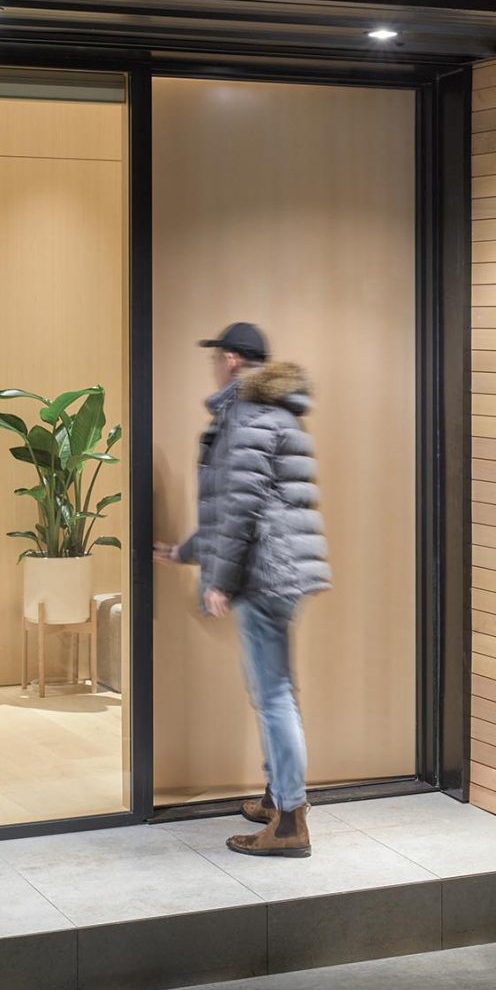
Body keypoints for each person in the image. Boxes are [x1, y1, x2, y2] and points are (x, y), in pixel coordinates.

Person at [155, 319, 329, 857]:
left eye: (216, 357)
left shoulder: (246, 415)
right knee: (277, 690)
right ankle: (280, 795)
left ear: (231, 360)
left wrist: (220, 580)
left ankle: (289, 822)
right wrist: (186, 553)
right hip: (286, 569)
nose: (213, 365)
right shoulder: (279, 412)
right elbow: (239, 502)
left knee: (271, 694)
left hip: (262, 572)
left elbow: (241, 506)